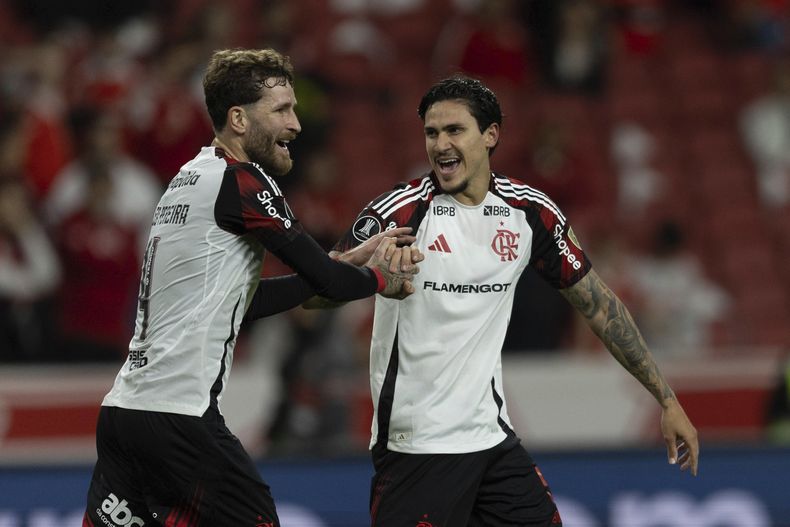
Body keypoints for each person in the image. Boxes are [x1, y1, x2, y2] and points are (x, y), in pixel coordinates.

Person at [325, 75, 699, 526]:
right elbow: (318, 293)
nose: (440, 144)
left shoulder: (530, 213)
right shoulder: (399, 213)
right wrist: (370, 278)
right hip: (415, 448)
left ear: (491, 135)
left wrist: (667, 400)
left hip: (490, 442)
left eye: (454, 130)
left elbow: (599, 306)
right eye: (431, 133)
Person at [82, 48, 420, 527]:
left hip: (125, 414)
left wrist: (340, 262)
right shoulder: (243, 182)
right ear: (238, 119)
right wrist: (381, 277)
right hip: (180, 419)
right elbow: (326, 283)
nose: (296, 124)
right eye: (282, 109)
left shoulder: (188, 178)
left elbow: (241, 301)